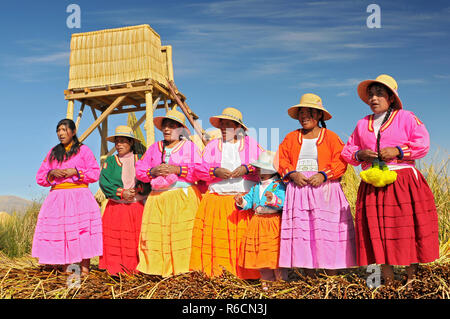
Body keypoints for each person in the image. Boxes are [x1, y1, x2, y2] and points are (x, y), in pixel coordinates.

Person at [341, 74, 439, 285]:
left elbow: (422, 144)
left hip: (402, 180)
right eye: (371, 95)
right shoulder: (361, 124)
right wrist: (361, 155)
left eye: (379, 94)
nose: (373, 99)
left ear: (391, 98)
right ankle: (387, 278)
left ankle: (412, 277)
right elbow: (348, 150)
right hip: (372, 182)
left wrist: (397, 150)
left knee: (406, 226)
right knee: (378, 228)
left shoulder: (406, 117)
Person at [274, 93, 356, 277]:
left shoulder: (331, 137)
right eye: (301, 113)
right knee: (305, 233)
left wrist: (324, 175)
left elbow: (341, 160)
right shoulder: (291, 137)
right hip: (299, 190)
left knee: (329, 232)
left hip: (325, 190)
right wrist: (292, 173)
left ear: (319, 115)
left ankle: (331, 277)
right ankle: (309, 277)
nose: (304, 116)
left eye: (309, 112)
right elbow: (280, 159)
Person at [190, 107, 263, 279]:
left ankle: (247, 273)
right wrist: (215, 171)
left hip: (244, 201)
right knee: (219, 240)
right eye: (221, 125)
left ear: (238, 127)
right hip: (218, 201)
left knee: (243, 239)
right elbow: (199, 169)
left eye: (228, 124)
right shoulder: (213, 146)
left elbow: (264, 164)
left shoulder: (251, 144)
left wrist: (246, 168)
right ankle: (218, 272)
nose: (223, 128)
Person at [135, 109, 202, 277]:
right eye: (165, 126)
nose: (166, 129)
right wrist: (153, 170)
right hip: (158, 198)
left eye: (172, 126)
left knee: (183, 234)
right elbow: (140, 170)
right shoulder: (154, 149)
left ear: (180, 130)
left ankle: (183, 270)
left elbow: (200, 171)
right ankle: (156, 270)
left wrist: (178, 169)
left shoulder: (190, 147)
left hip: (182, 197)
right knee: (156, 235)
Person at [33, 118, 102, 276]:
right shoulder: (53, 152)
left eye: (64, 130)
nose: (61, 133)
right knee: (62, 231)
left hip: (80, 196)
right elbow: (40, 177)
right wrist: (51, 173)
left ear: (73, 132)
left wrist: (76, 172)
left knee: (82, 231)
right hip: (58, 198)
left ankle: (84, 269)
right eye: (58, 130)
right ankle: (67, 268)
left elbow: (95, 173)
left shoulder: (84, 151)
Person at [98, 125, 149, 276]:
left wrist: (139, 189)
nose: (119, 145)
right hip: (116, 207)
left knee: (134, 239)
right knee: (116, 240)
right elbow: (104, 182)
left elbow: (148, 179)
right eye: (116, 142)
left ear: (131, 142)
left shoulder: (141, 159)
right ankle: (115, 269)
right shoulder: (110, 162)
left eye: (122, 141)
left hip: (136, 206)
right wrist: (121, 193)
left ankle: (136, 269)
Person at [235, 151, 287, 290]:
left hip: (273, 222)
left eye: (261, 168)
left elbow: (283, 202)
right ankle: (266, 285)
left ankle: (281, 285)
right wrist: (242, 201)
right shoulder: (256, 186)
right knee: (261, 255)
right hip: (257, 222)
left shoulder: (279, 185)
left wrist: (273, 199)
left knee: (274, 255)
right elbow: (249, 201)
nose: (258, 171)